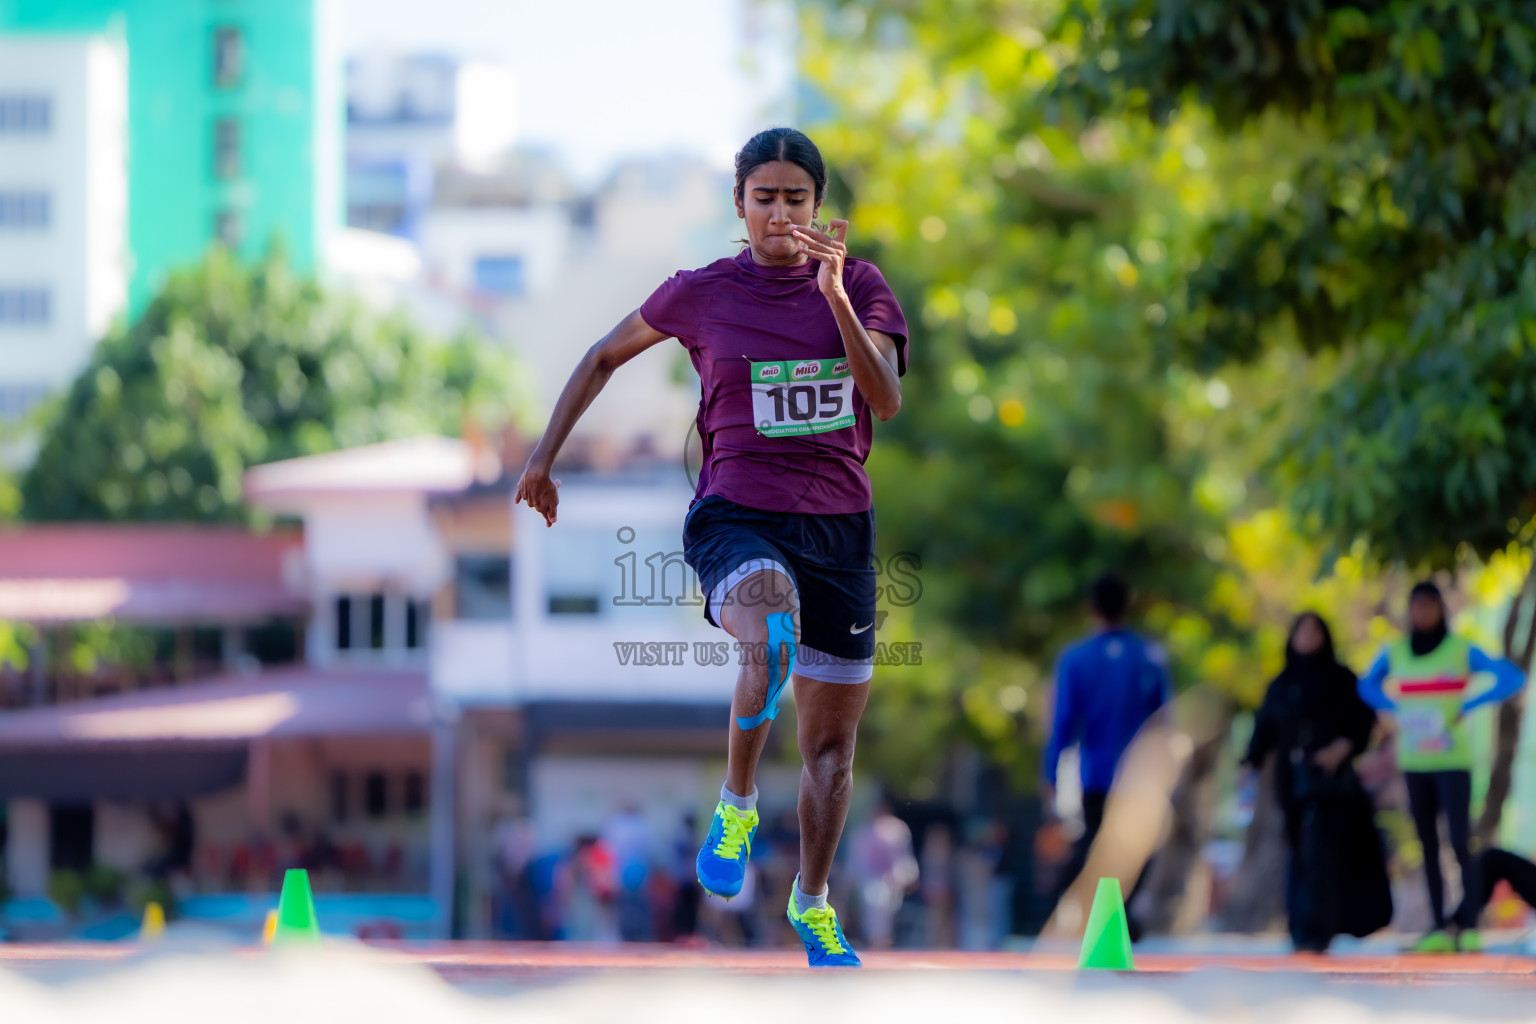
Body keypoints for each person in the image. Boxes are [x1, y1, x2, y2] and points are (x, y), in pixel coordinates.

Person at [514, 127, 908, 968]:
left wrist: (835, 299)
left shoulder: (863, 286)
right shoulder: (702, 292)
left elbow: (885, 398)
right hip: (737, 514)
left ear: (818, 205)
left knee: (832, 754)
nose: (780, 213)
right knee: (771, 630)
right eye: (764, 198)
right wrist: (543, 459)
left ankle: (812, 902)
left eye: (796, 198)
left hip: (840, 532)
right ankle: (736, 806)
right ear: (739, 204)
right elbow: (603, 355)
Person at [1356, 580, 1526, 953]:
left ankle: (1469, 926)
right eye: (1416, 606)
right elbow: (1365, 685)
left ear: (1440, 609)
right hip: (1415, 760)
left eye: (1429, 605)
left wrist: (1469, 704)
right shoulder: (1396, 651)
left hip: (1452, 760)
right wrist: (1393, 708)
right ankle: (1438, 927)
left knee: (1460, 842)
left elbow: (1512, 678)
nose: (1423, 613)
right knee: (1427, 843)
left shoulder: (1460, 649)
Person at [1244, 611, 1392, 952]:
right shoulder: (1282, 684)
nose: (1308, 637)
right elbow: (1264, 729)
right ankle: (1299, 927)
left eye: (1315, 631)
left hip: (1330, 785)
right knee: (1297, 854)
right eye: (1302, 631)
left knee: (1322, 855)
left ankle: (1319, 929)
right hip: (1291, 784)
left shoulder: (1342, 680)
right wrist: (1249, 761)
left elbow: (1364, 723)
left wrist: (1343, 747)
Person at [1041, 573, 1171, 936]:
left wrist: (1051, 772)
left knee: (1095, 844)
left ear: (1091, 608)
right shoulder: (1150, 656)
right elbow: (1164, 720)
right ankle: (1120, 915)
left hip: (1096, 772)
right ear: (1128, 606)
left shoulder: (1076, 658)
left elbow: (1063, 722)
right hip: (1140, 774)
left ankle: (1080, 907)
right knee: (1137, 845)